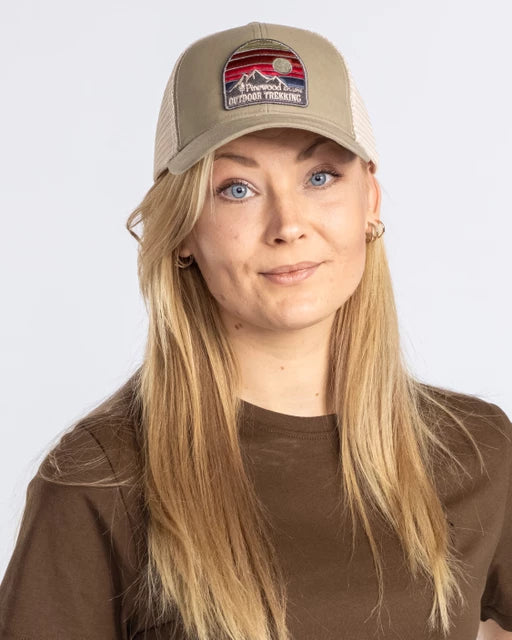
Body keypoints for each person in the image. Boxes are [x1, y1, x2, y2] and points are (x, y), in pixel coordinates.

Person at [0, 20, 511, 640]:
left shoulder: (476, 450)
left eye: (320, 177)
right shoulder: (100, 478)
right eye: (236, 189)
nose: (288, 225)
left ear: (370, 201)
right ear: (182, 229)